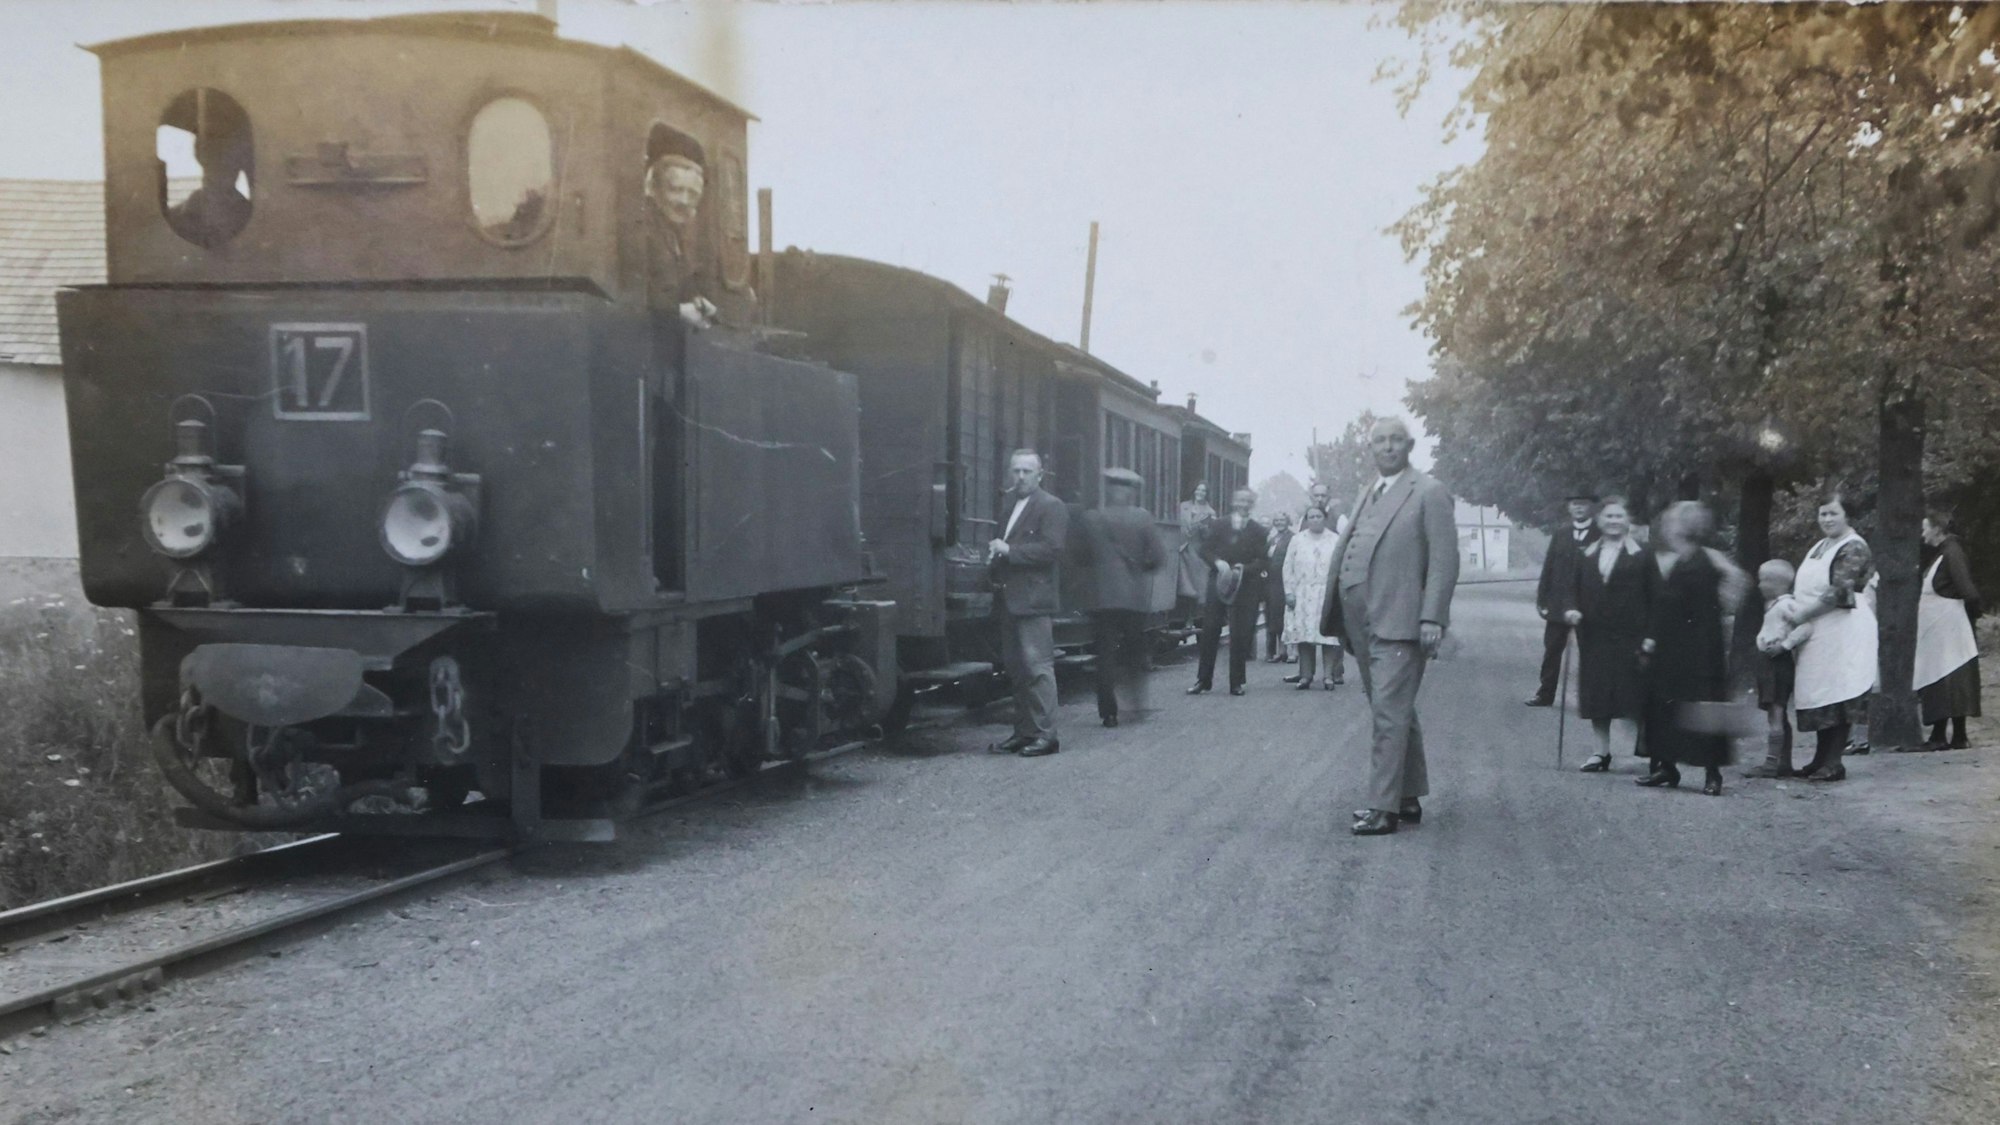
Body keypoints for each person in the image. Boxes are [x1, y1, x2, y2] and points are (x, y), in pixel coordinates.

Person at [1322, 418, 1459, 835]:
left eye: (1395, 440)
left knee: (1388, 714)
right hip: (1363, 623)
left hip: (1400, 622)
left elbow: (1444, 560)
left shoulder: (1429, 492)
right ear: (1371, 447)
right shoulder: (1369, 491)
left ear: (1410, 445)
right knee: (1394, 711)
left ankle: (1383, 809)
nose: (1388, 447)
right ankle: (1408, 794)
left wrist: (1433, 616)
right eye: (1380, 440)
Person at [1636, 501, 1748, 796]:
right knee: (1664, 704)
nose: (1668, 528)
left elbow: (1739, 583)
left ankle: (1713, 774)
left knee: (1704, 706)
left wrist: (1725, 607)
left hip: (1701, 646)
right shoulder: (1673, 560)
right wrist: (1650, 640)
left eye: (1673, 523)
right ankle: (1666, 766)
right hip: (1671, 647)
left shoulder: (1710, 558)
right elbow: (1663, 607)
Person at [1554, 496, 1653, 772]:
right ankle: (1601, 753)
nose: (1613, 521)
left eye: (1618, 516)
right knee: (1597, 692)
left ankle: (1647, 749)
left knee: (1632, 692)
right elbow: (1570, 590)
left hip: (1631, 635)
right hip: (1594, 634)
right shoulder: (1586, 553)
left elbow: (1655, 595)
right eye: (1608, 516)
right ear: (1600, 521)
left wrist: (1651, 634)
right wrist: (1571, 609)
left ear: (1627, 521)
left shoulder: (1642, 554)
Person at [1789, 492, 1876, 782]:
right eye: (1823, 513)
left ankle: (1834, 762)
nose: (1826, 519)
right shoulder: (1821, 545)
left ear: (1847, 516)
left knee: (1840, 692)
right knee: (1821, 692)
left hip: (1844, 626)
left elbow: (1839, 593)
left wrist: (1801, 615)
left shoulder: (1854, 547)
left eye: (1833, 513)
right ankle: (1819, 758)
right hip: (1820, 629)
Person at [987, 450, 1069, 758]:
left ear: (1040, 475)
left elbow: (1052, 549)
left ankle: (1047, 736)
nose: (1020, 477)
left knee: (1038, 669)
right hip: (1009, 599)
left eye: (1026, 471)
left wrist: (1009, 550)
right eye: (1015, 471)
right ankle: (1023, 733)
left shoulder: (1051, 506)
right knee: (1017, 670)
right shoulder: (1010, 506)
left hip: (1033, 601)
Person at [1076, 467, 1165, 728]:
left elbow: (1080, 557)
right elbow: (1158, 557)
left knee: (1104, 655)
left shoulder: (1092, 518)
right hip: (1133, 599)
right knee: (1134, 653)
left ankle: (1108, 713)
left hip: (1101, 598)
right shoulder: (1143, 518)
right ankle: (1136, 706)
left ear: (1109, 489)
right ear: (1131, 491)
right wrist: (1139, 568)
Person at [1909, 511, 1982, 752]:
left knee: (1951, 677)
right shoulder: (1942, 553)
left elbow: (1968, 591)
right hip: (1938, 628)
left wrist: (1966, 617)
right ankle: (1943, 734)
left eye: (1925, 528)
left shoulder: (1952, 552)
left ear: (1937, 529)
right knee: (1939, 678)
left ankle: (1955, 735)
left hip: (1948, 625)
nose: (1922, 534)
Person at [1189, 487, 1270, 697]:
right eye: (1240, 501)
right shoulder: (1218, 524)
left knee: (1241, 634)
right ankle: (1203, 680)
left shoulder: (1259, 531)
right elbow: (1204, 549)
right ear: (1234, 502)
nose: (1243, 505)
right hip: (1219, 582)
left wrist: (1245, 569)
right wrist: (1218, 563)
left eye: (1247, 502)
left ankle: (1237, 682)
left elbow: (1263, 561)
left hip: (1246, 585)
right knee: (1210, 630)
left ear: (1251, 505)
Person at [1529, 492, 1601, 706]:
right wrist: (1542, 598)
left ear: (1591, 507)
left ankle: (1590, 698)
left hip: (1589, 605)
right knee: (1552, 649)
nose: (1579, 508)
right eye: (1574, 504)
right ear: (1569, 507)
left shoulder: (1600, 534)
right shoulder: (1561, 534)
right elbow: (1549, 567)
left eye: (1583, 504)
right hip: (1559, 603)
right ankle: (1545, 694)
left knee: (1590, 651)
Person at [1744, 559, 1812, 777]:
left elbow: (1806, 626)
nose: (1759, 585)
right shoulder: (1775, 604)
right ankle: (1783, 762)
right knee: (1777, 714)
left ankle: (1772, 764)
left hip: (1777, 664)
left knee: (1776, 712)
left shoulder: (1786, 604)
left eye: (1763, 580)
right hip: (1768, 663)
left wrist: (1785, 645)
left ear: (1776, 583)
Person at [644, 152, 721, 326]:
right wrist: (677, 311)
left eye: (693, 194)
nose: (685, 201)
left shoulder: (677, 231)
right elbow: (629, 292)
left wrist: (697, 299)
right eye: (676, 190)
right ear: (655, 189)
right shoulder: (640, 226)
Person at [1282, 505, 1342, 690]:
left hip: (1327, 593)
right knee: (1304, 635)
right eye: (1311, 517)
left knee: (1328, 636)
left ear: (1324, 518)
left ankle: (1328, 676)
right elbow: (1288, 566)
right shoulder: (1297, 540)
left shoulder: (1335, 539)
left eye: (1318, 516)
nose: (1315, 519)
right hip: (1303, 592)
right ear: (1306, 520)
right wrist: (1289, 592)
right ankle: (1306, 675)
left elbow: (1341, 567)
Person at [1176, 482, 1217, 606]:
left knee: (1195, 585)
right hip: (1180, 548)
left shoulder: (1210, 512)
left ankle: (1193, 617)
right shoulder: (1183, 506)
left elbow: (1211, 536)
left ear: (1207, 494)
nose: (1200, 493)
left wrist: (1205, 528)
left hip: (1196, 552)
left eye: (1203, 491)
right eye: (1198, 490)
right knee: (1179, 584)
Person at [1262, 512, 1294, 663]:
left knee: (1284, 615)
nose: (1279, 523)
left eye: (1282, 520)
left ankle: (1285, 651)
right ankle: (1272, 651)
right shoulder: (1273, 538)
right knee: (1272, 614)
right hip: (1271, 581)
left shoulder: (1292, 538)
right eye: (1277, 520)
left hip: (1285, 581)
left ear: (1288, 521)